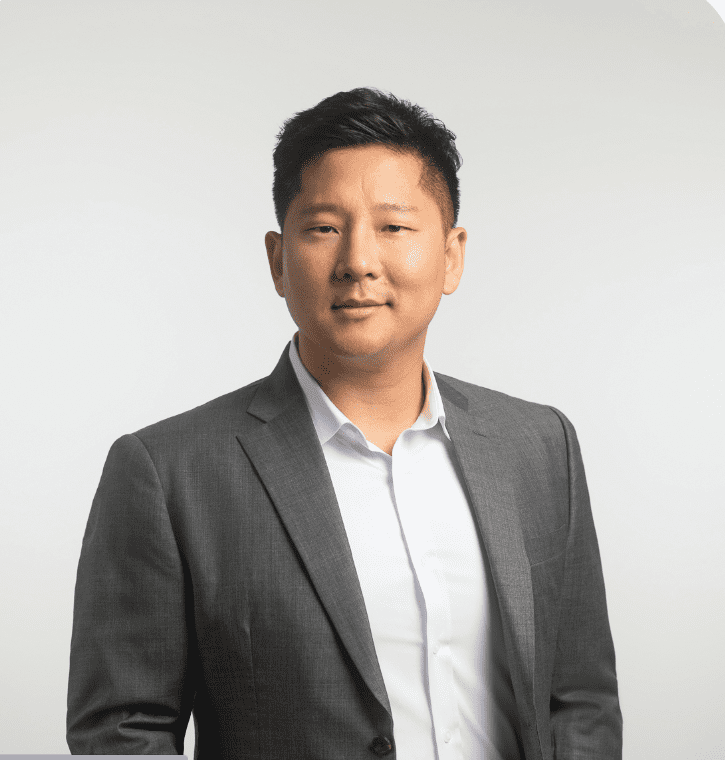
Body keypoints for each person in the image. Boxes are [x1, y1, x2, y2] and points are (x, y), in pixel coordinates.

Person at [67, 87, 622, 759]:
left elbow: (578, 698)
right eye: (325, 228)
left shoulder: (538, 446)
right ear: (278, 259)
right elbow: (123, 731)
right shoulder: (168, 472)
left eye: (393, 227)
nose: (358, 261)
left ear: (451, 256)